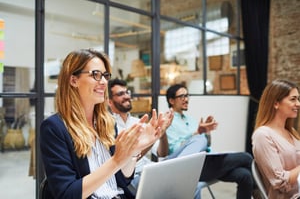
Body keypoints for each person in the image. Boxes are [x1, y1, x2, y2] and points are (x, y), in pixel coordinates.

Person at [39, 49, 166, 199]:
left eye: (105, 75)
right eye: (95, 75)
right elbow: (67, 194)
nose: (104, 82)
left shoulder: (108, 123)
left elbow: (122, 180)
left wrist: (134, 150)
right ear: (73, 80)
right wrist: (116, 160)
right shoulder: (54, 128)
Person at [159, 83, 255, 199]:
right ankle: (261, 192)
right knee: (246, 157)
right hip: (191, 167)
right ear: (171, 100)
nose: (186, 99)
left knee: (245, 176)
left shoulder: (190, 119)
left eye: (187, 96)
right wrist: (197, 133)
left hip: (207, 161)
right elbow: (176, 151)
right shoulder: (168, 122)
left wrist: (206, 133)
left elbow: (205, 144)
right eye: (182, 96)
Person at [107, 78, 173, 195]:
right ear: (109, 101)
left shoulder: (138, 122)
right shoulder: (108, 127)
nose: (127, 96)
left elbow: (162, 153)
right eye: (120, 94)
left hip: (150, 169)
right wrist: (153, 138)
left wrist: (162, 133)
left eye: (127, 92)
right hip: (132, 178)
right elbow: (123, 162)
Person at [252, 79, 300, 199]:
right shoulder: (262, 135)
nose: (298, 103)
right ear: (276, 103)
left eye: (298, 99)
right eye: (293, 99)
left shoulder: (291, 132)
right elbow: (280, 183)